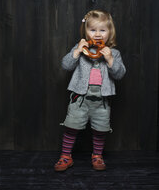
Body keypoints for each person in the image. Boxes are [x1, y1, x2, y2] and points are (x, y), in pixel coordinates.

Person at [54, 10, 126, 171]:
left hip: (102, 100)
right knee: (71, 126)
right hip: (79, 98)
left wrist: (110, 60)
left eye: (103, 30)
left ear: (110, 32)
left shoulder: (113, 53)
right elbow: (66, 65)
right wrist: (76, 51)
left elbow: (120, 74)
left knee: (100, 129)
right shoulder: (81, 49)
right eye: (93, 30)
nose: (98, 34)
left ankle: (97, 156)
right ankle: (66, 156)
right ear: (85, 32)